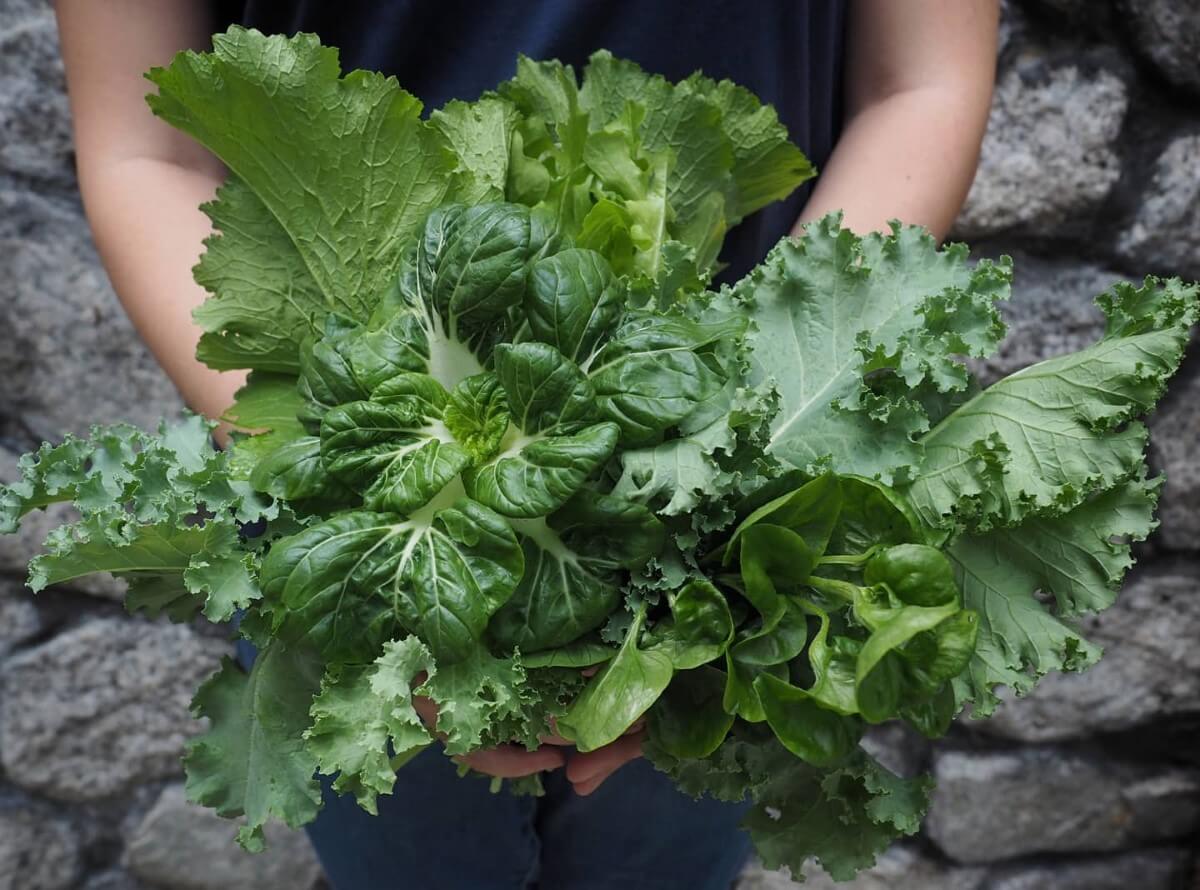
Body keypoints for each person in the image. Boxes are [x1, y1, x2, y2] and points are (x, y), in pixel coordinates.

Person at [53, 2, 999, 887]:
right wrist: (380, 556)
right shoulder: (374, 513)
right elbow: (149, 147)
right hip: (367, 484)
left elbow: (919, 84)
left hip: (727, 494)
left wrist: (728, 488)